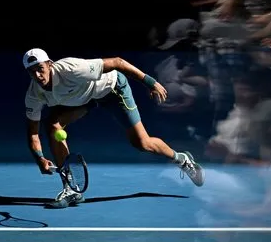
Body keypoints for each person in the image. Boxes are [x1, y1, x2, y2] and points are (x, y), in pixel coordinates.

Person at [23, 48, 205, 208]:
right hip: (86, 98)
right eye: (32, 72)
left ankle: (182, 159)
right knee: (53, 124)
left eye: (40, 69)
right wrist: (39, 158)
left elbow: (118, 62)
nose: (38, 75)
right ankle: (71, 189)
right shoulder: (34, 95)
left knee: (143, 143)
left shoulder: (71, 69)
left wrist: (151, 82)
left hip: (111, 89)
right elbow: (33, 134)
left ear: (50, 65)